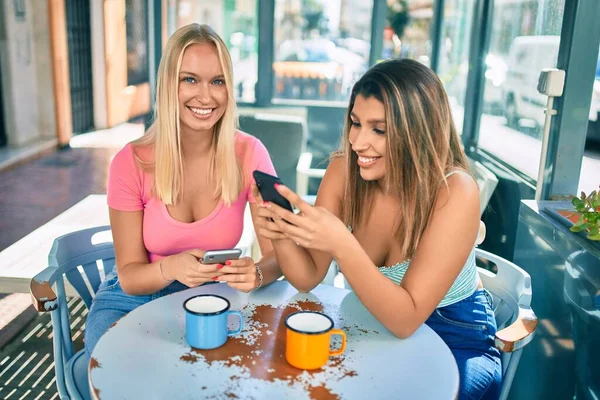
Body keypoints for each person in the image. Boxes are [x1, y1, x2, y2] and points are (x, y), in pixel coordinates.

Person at [254, 59, 502, 399]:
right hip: (370, 322)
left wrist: (343, 244)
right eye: (355, 123)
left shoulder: (455, 190)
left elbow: (406, 320)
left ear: (418, 131)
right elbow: (308, 276)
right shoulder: (345, 169)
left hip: (454, 333)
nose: (358, 142)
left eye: (378, 130)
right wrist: (279, 231)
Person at [84, 24, 282, 356]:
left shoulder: (251, 154)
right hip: (132, 300)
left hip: (213, 299)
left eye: (217, 81)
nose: (205, 97)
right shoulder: (129, 162)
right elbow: (130, 275)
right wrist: (170, 268)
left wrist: (259, 272)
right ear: (168, 85)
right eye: (189, 79)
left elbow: (280, 256)